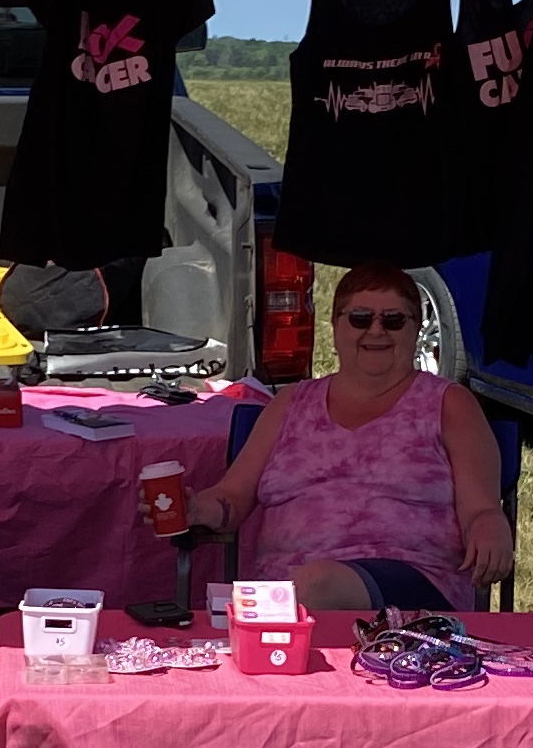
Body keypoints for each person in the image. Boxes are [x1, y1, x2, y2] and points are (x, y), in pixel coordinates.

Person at [206, 262, 513, 612]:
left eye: (393, 320)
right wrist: (194, 508)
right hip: (284, 594)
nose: (376, 331)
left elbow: (481, 508)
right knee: (306, 588)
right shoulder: (290, 403)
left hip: (416, 588)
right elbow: (231, 497)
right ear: (336, 327)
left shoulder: (448, 404)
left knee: (317, 584)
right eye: (360, 318)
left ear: (416, 329)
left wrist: (490, 525)